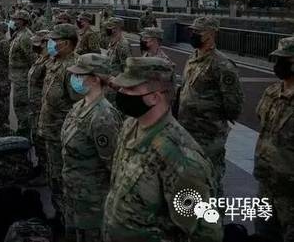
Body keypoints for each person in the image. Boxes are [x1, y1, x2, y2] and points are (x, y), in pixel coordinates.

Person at [103, 57, 222, 242]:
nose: (122, 93)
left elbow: (205, 233)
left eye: (131, 89)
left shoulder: (180, 158)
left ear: (154, 97)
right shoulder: (131, 125)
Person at [178, 17, 243, 197]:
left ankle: (215, 221)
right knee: (191, 180)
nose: (193, 35)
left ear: (211, 34)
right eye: (192, 31)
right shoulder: (193, 58)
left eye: (198, 32)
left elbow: (233, 104)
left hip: (209, 135)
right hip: (188, 131)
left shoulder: (222, 64)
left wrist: (212, 117)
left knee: (210, 181)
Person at [61, 54, 121, 241]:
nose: (74, 79)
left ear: (95, 79)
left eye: (80, 75)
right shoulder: (80, 105)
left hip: (92, 202)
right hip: (73, 194)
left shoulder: (103, 116)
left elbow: (113, 165)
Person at [38, 24, 80, 227]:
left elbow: (78, 105)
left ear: (67, 43)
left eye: (55, 40)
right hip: (50, 129)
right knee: (53, 176)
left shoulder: (74, 68)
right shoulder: (54, 62)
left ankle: (66, 221)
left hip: (62, 133)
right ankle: (59, 214)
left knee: (61, 177)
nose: (51, 44)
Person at [253, 37, 294, 242]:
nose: (278, 65)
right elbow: (262, 120)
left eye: (285, 60)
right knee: (263, 233)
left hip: (290, 190)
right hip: (267, 183)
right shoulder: (272, 92)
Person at [8, 10, 36, 137]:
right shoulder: (19, 34)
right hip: (17, 76)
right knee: (18, 105)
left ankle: (24, 133)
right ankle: (22, 129)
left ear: (23, 21)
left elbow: (31, 58)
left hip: (23, 77)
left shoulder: (25, 36)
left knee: (21, 106)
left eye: (16, 19)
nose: (14, 22)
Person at [28, 30, 50, 178]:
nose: (34, 45)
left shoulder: (49, 63)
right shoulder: (40, 58)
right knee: (36, 137)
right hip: (35, 107)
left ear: (46, 43)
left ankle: (45, 171)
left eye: (37, 42)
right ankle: (41, 166)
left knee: (42, 141)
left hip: (42, 109)